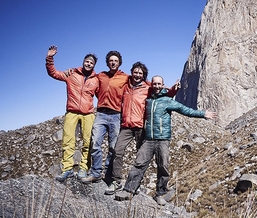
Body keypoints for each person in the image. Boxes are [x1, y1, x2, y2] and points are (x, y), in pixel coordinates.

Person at [114, 75, 216, 205]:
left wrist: (203, 114)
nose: (156, 86)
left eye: (159, 84)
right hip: (149, 139)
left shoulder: (168, 101)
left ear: (162, 85)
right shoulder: (148, 100)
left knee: (163, 167)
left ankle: (160, 194)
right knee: (139, 164)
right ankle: (129, 190)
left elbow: (185, 110)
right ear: (152, 85)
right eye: (154, 84)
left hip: (163, 139)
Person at [104, 63, 180, 195]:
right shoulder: (126, 86)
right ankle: (116, 181)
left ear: (144, 75)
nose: (138, 75)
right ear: (132, 72)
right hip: (126, 126)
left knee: (141, 158)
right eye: (136, 72)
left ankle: (136, 185)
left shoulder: (148, 87)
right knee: (117, 151)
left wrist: (174, 89)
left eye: (140, 73)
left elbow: (162, 91)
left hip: (140, 127)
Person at [45, 45, 99, 181]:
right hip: (72, 112)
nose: (89, 64)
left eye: (91, 63)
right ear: (83, 61)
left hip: (88, 114)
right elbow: (54, 73)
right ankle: (67, 169)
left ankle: (83, 169)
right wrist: (50, 57)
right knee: (68, 141)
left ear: (94, 65)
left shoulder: (96, 80)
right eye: (87, 61)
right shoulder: (71, 74)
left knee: (88, 142)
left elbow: (103, 95)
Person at [81, 51, 129, 184]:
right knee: (95, 143)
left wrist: (167, 89)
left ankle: (108, 175)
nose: (113, 63)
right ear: (107, 62)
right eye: (111, 61)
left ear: (119, 63)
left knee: (113, 147)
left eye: (116, 61)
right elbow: (87, 77)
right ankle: (96, 173)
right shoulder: (100, 76)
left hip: (116, 115)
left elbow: (142, 83)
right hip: (101, 114)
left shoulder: (125, 77)